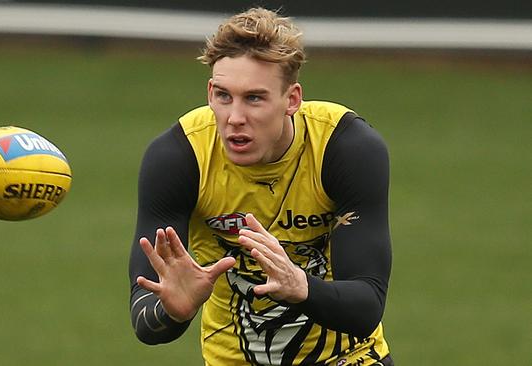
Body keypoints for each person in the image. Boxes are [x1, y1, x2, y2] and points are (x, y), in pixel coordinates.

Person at [128, 7, 393, 366]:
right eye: (224, 96)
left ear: (292, 99)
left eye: (254, 98)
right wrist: (173, 311)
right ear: (209, 92)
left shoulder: (344, 148)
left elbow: (367, 305)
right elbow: (146, 323)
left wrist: (301, 287)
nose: (235, 118)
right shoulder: (179, 157)